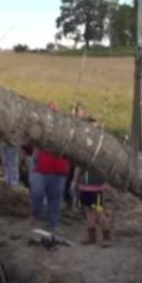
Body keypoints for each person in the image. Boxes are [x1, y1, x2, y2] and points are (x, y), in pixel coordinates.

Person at [30, 102, 70, 232]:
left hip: (59, 171)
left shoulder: (65, 129)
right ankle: (37, 215)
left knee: (55, 200)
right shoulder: (40, 127)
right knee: (36, 193)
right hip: (41, 169)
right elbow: (33, 144)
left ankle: (52, 225)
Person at [75, 118, 111, 247]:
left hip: (96, 188)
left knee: (99, 212)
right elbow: (78, 165)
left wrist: (105, 182)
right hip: (84, 187)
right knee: (88, 212)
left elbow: (105, 166)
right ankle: (91, 236)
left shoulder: (101, 147)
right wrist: (76, 182)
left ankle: (106, 236)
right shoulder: (82, 145)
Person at [64, 102, 86, 210]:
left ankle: (78, 203)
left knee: (78, 181)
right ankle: (69, 202)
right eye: (76, 110)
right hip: (71, 156)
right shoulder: (71, 123)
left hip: (80, 157)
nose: (77, 112)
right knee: (69, 179)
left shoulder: (85, 125)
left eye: (79, 110)